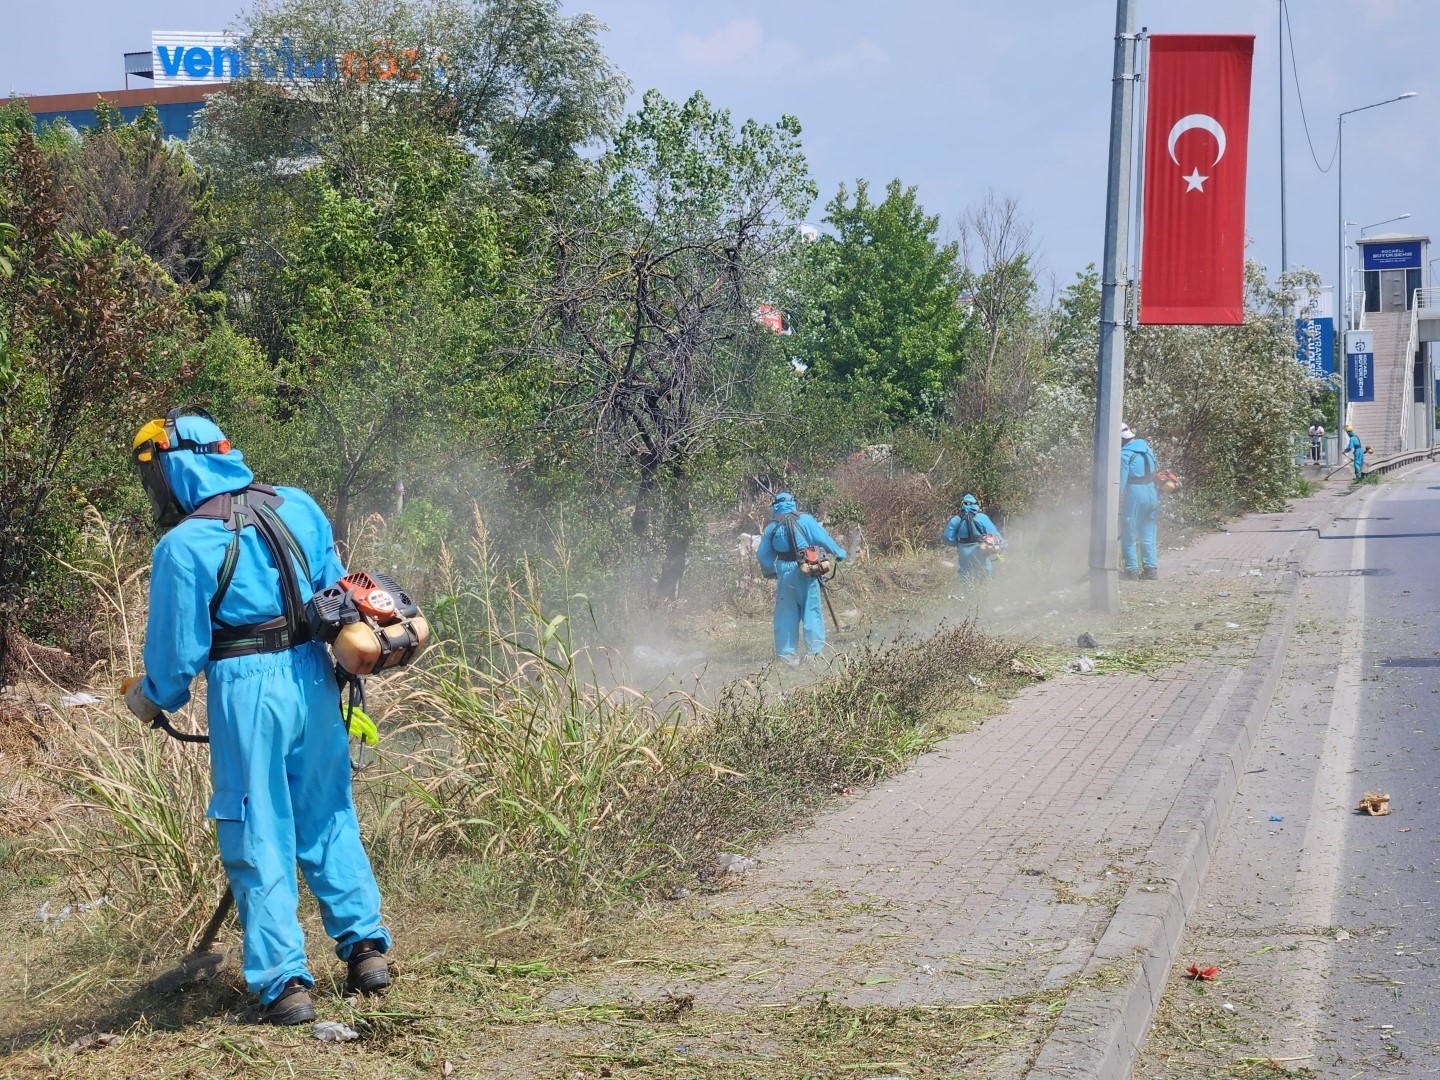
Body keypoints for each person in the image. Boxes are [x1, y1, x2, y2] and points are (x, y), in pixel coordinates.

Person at [122, 407, 391, 1025]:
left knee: (256, 827)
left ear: (177, 468)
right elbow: (337, 594)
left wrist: (149, 698)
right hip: (317, 679)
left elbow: (177, 659)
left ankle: (285, 983)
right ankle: (367, 950)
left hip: (248, 687)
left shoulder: (185, 544)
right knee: (327, 810)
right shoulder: (296, 504)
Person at [756, 492, 846, 662]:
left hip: (784, 573)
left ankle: (786, 655)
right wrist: (839, 552)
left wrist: (771, 571)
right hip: (807, 570)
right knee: (811, 610)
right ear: (793, 503)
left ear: (775, 506)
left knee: (786, 614)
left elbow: (762, 554)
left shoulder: (771, 527)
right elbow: (823, 539)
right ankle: (814, 653)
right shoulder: (805, 520)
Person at [1119, 423, 1160, 581]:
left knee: (1128, 531)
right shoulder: (1148, 449)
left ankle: (1131, 571)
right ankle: (1150, 570)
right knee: (1148, 532)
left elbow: (1120, 482)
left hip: (1135, 494)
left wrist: (1114, 499)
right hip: (1152, 492)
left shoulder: (1125, 455)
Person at [944, 494, 1005, 583]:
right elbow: (995, 535)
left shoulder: (956, 519)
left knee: (965, 574)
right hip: (981, 550)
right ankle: (985, 593)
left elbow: (948, 538)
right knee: (985, 572)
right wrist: (1001, 547)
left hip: (964, 553)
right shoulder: (982, 518)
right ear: (975, 504)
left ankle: (969, 594)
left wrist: (958, 544)